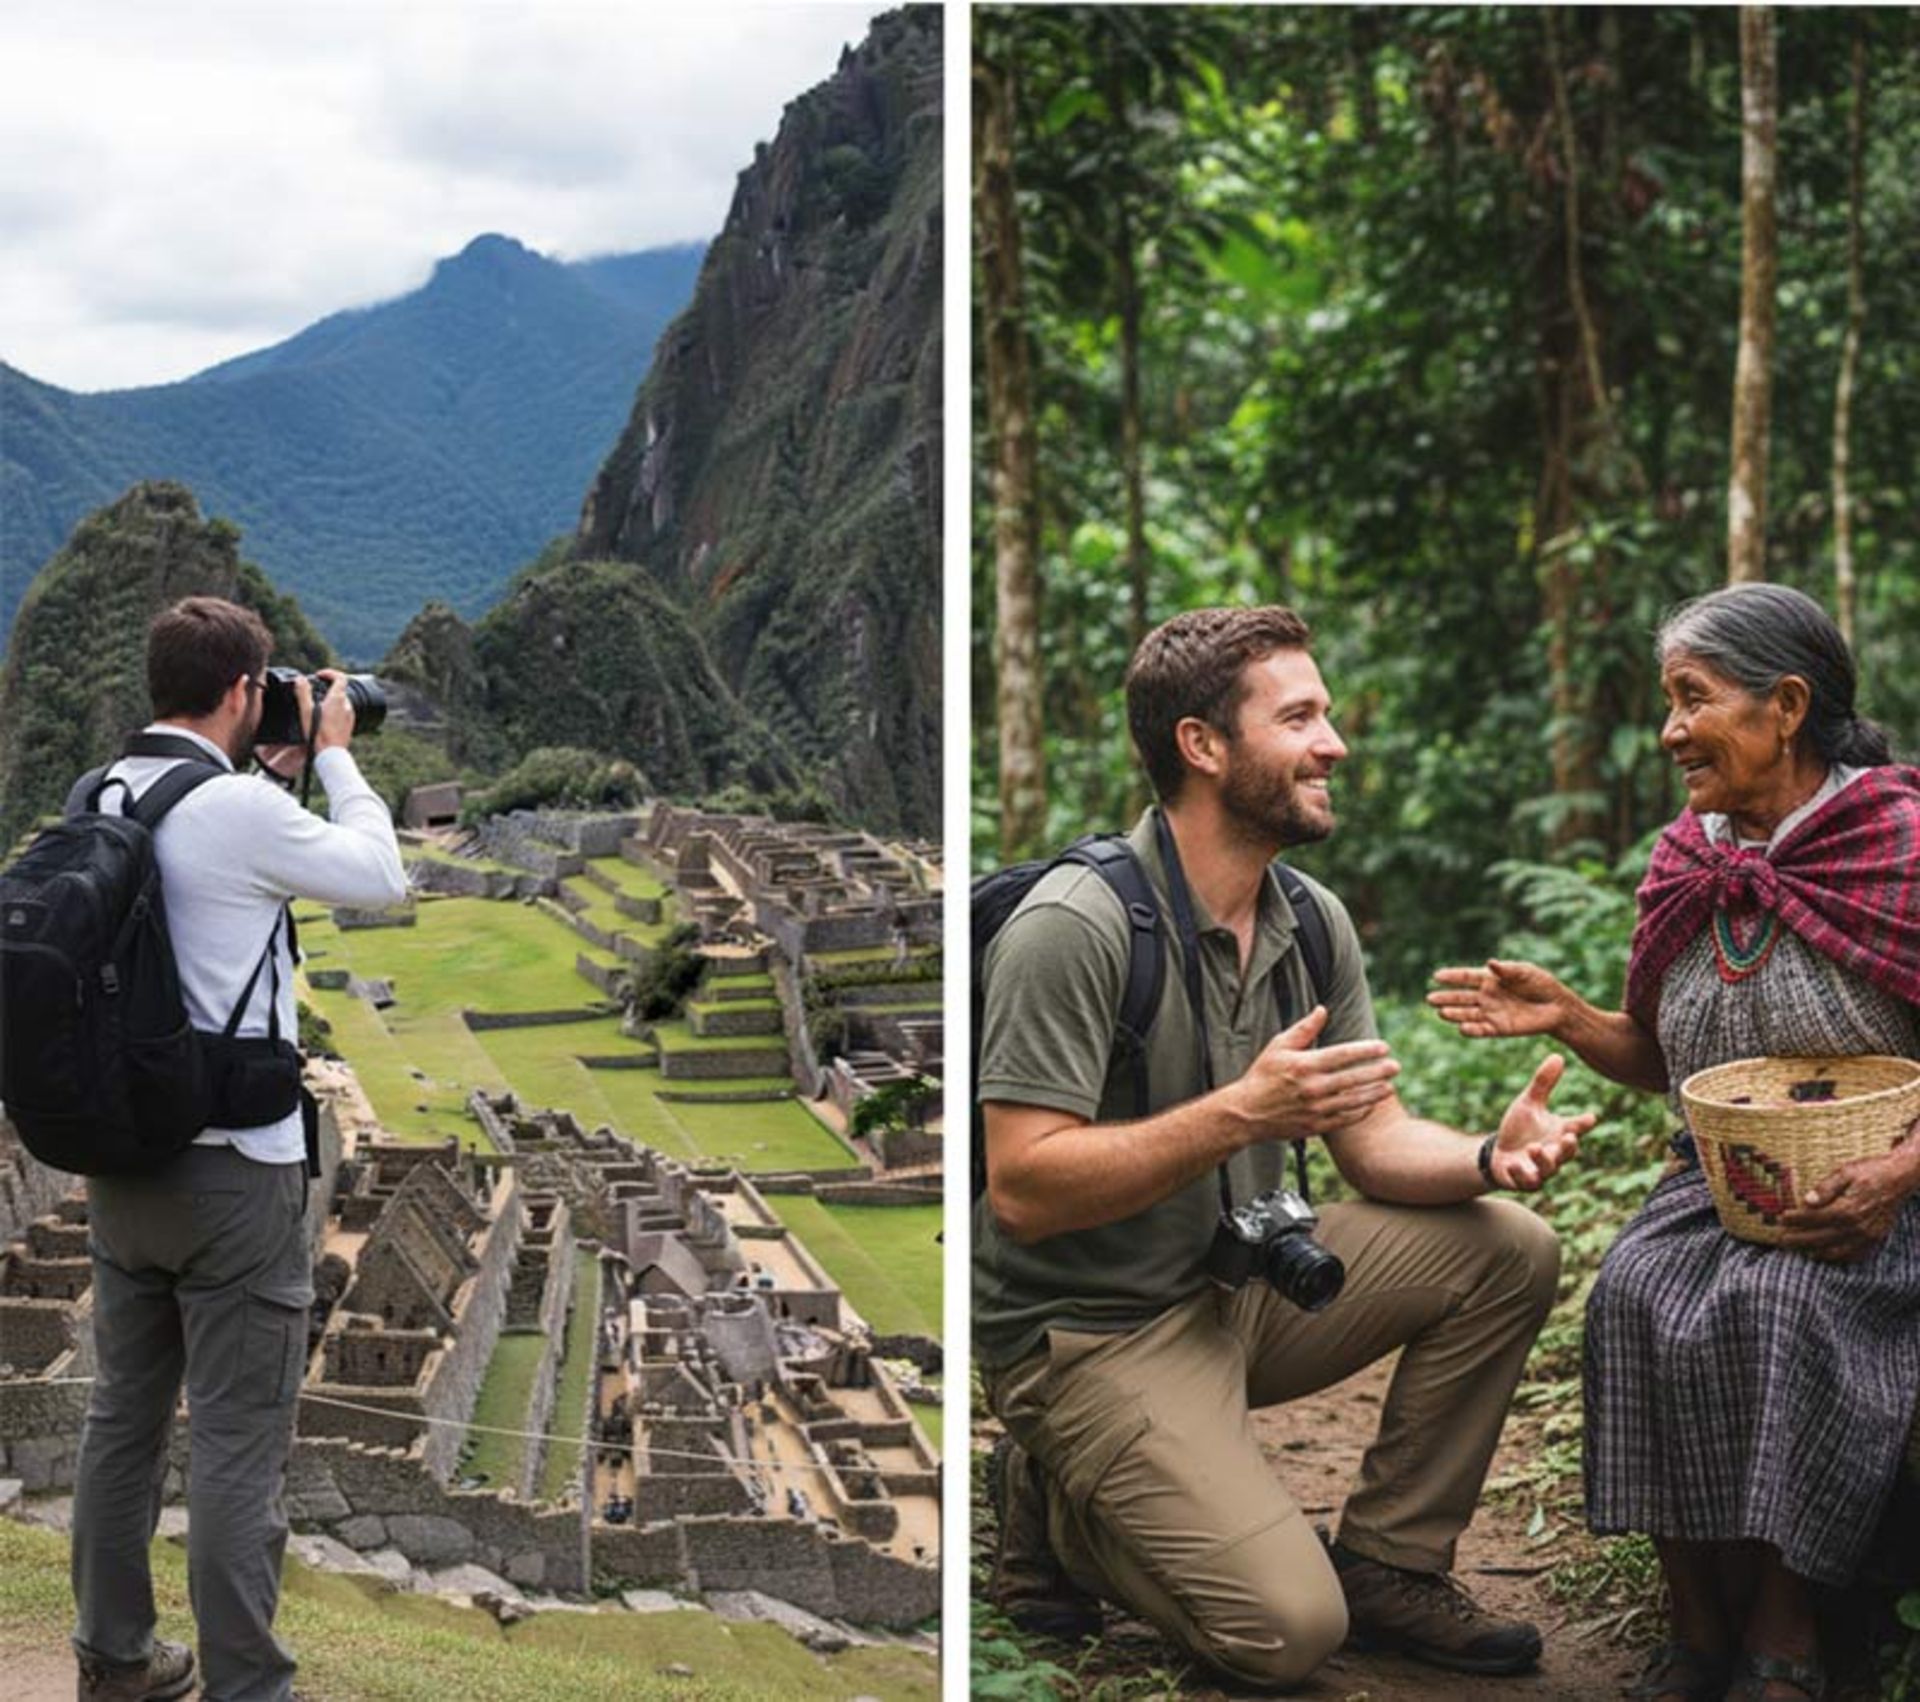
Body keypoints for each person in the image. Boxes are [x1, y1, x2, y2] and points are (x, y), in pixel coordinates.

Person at [976, 605, 1595, 1689]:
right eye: (1300, 717)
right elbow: (1023, 1186)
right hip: (1095, 1331)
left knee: (1510, 1245)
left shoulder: (1309, 921)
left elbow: (1373, 1139)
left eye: (1327, 713)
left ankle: (1392, 1561)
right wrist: (1239, 1115)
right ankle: (1053, 1504)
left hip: (1239, 1286)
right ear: (1203, 746)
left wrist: (1484, 1159)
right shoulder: (1073, 929)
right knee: (1287, 1633)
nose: (1334, 743)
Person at [1430, 583, 1920, 1702]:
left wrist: (1897, 1173)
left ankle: (1786, 1636)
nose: (1668, 730)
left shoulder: (1898, 841)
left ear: (1786, 705)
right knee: (1634, 1291)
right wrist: (1568, 1015)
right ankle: (1696, 1625)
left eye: (1693, 699)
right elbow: (1665, 1057)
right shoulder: (1686, 859)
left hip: (1878, 1185)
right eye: (1668, 701)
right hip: (1724, 1179)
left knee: (1784, 1306)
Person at [69, 597, 407, 1702]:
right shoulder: (238, 810)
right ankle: (248, 1687)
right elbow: (381, 878)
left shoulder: (98, 794)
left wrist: (272, 762)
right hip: (236, 1174)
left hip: (120, 1170)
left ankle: (114, 1658)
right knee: (235, 1446)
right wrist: (339, 758)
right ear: (237, 689)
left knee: (121, 1423)